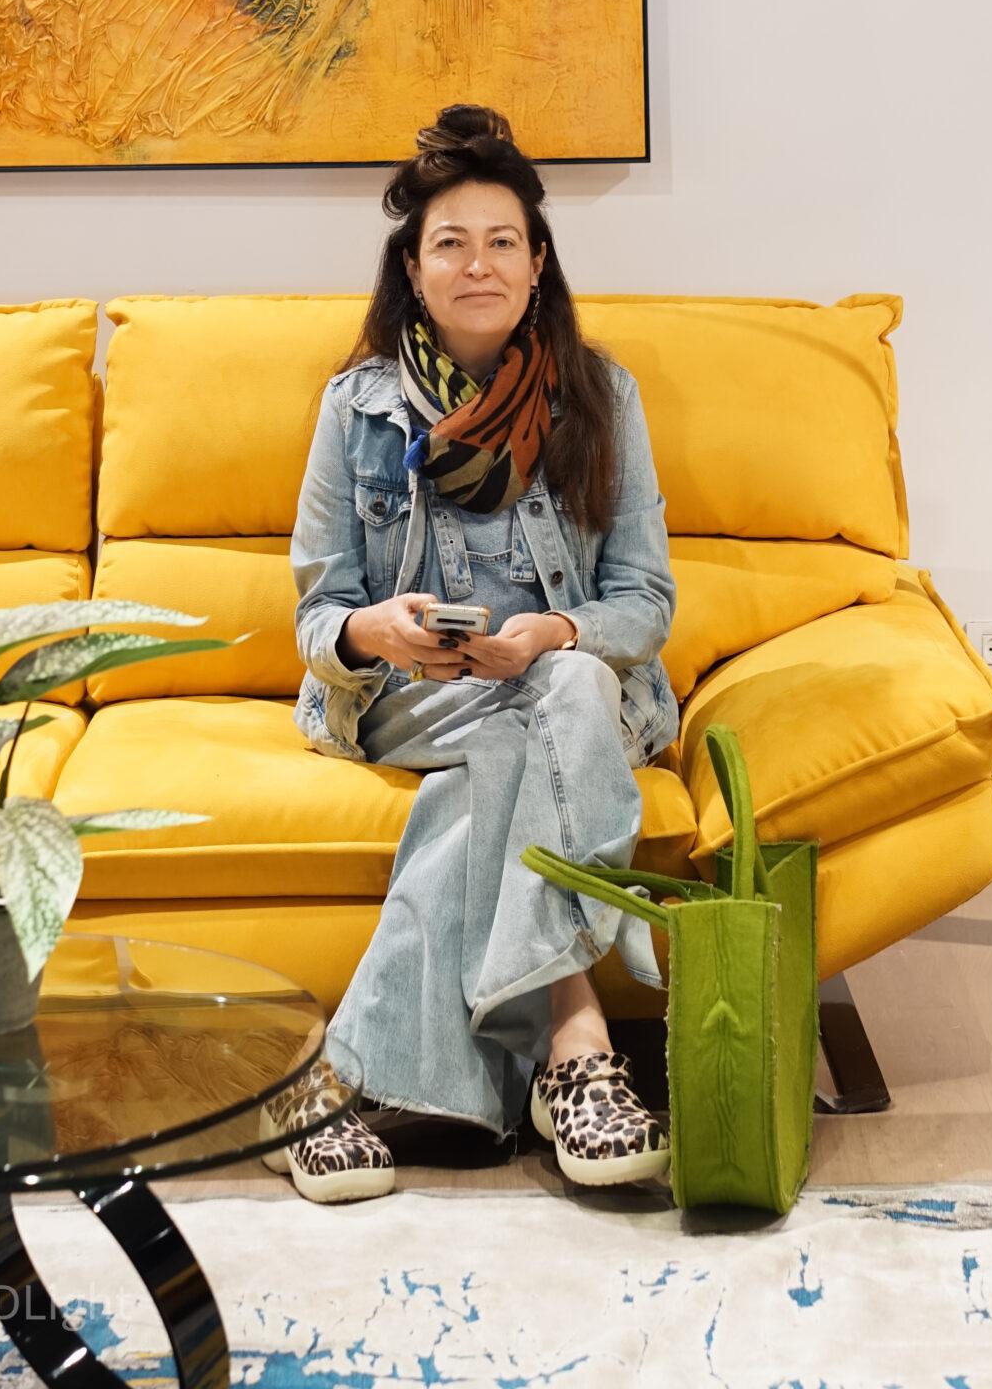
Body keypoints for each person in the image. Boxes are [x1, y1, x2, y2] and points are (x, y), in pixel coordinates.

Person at [261, 104, 679, 1204]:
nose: (478, 263)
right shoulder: (354, 410)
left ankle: (336, 1087)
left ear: (538, 265)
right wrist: (378, 631)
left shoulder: (603, 397)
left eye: (502, 241)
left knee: (547, 701)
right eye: (450, 242)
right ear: (414, 268)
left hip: (571, 693)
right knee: (546, 705)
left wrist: (552, 630)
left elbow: (644, 602)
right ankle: (577, 1044)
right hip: (410, 698)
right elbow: (320, 614)